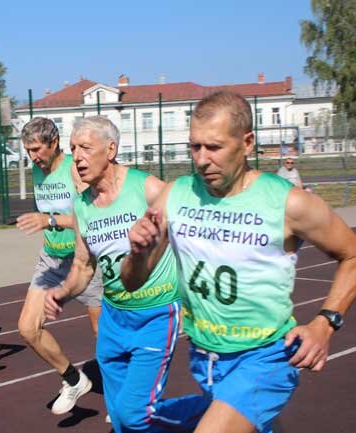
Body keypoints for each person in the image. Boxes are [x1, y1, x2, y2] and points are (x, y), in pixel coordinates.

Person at [121, 90, 356, 433]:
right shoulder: (175, 195)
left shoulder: (289, 203)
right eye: (194, 147)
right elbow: (131, 282)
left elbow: (351, 253)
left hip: (267, 357)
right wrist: (138, 252)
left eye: (214, 147)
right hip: (206, 358)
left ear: (247, 143)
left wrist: (325, 322)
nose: (201, 160)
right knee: (133, 418)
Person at [44, 116, 208, 432]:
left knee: (135, 414)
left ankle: (220, 410)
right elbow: (82, 266)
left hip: (156, 316)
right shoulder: (82, 205)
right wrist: (62, 292)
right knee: (120, 418)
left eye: (85, 148)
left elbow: (188, 236)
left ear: (111, 149)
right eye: (72, 148)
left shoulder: (145, 187)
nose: (76, 157)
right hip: (113, 319)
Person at [16, 117, 104, 415]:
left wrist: (49, 220)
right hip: (52, 258)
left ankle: (122, 400)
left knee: (102, 336)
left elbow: (89, 216)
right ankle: (73, 379)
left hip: (85, 259)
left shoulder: (74, 170)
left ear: (54, 143)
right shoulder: (37, 171)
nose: (33, 156)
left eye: (37, 149)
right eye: (28, 150)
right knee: (28, 328)